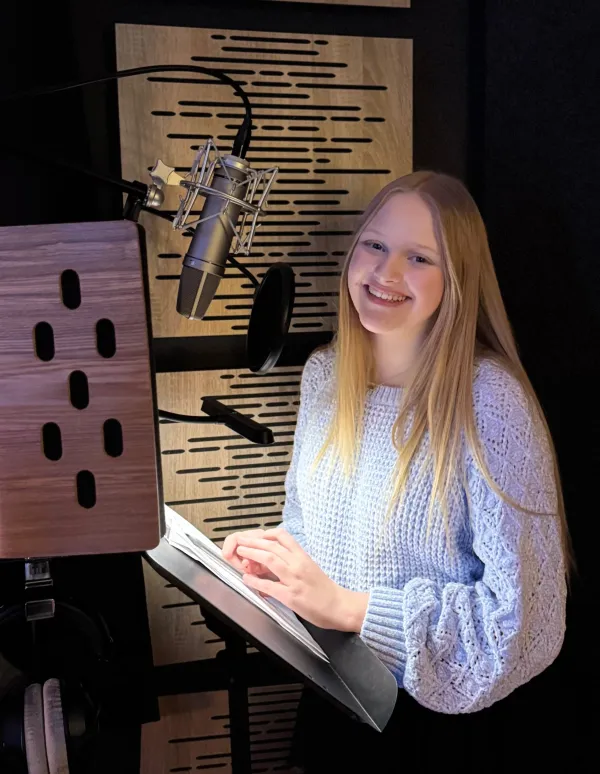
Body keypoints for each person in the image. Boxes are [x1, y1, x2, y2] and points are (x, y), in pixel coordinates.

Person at [223, 171, 570, 771]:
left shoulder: (490, 402)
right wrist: (273, 566)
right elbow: (310, 530)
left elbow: (523, 623)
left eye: (419, 257)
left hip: (438, 729)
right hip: (334, 703)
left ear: (457, 278)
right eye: (375, 245)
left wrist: (350, 609)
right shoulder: (325, 376)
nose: (385, 273)